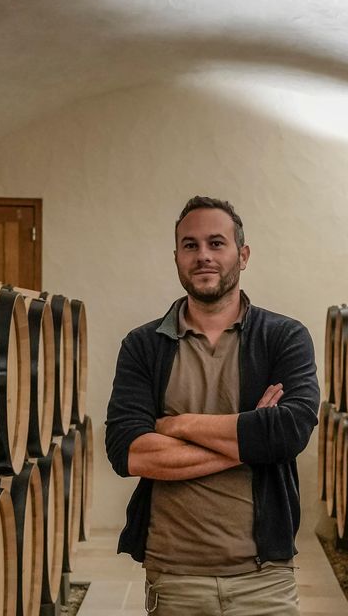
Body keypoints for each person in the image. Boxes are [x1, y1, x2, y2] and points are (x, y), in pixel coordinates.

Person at [105, 196, 318, 615]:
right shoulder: (143, 345)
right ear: (177, 257)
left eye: (216, 243)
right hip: (174, 573)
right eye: (190, 245)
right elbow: (126, 451)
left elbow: (289, 432)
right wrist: (251, 438)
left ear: (243, 254)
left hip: (266, 577)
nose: (203, 255)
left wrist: (175, 424)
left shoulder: (284, 337)